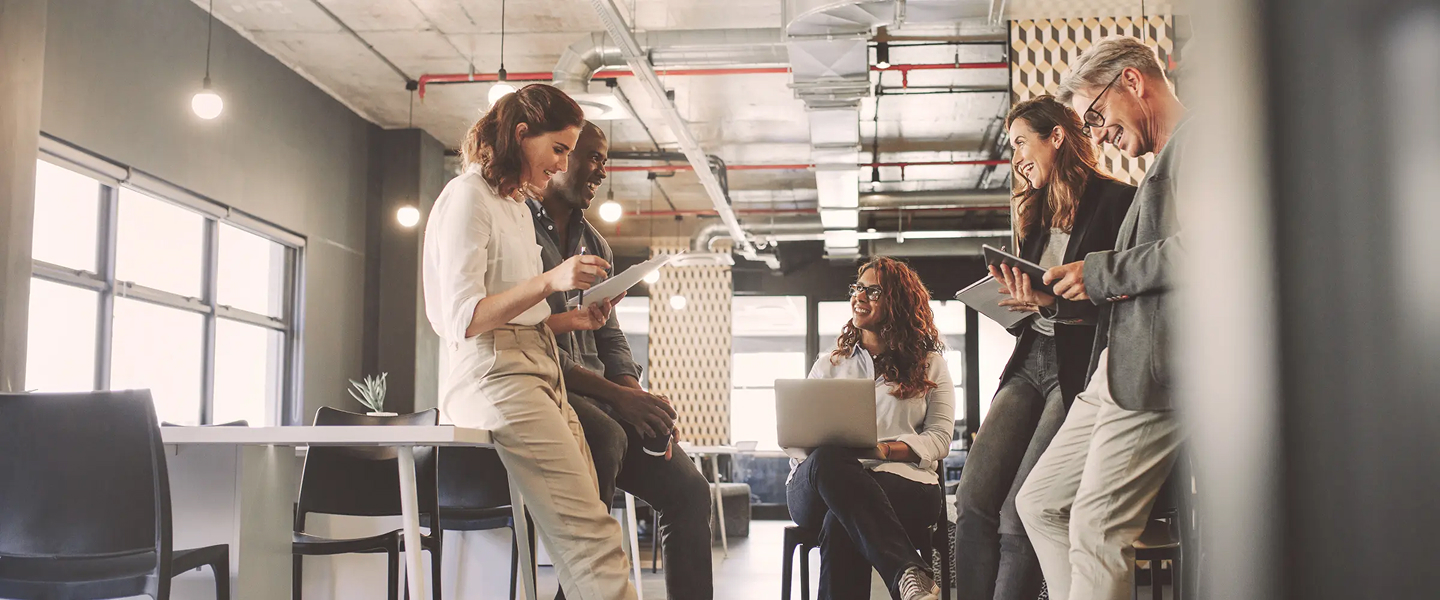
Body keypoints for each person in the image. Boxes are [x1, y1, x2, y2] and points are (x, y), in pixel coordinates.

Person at [422, 83, 636, 600]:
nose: (563, 165)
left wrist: (574, 319)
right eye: (558, 149)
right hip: (493, 374)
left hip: (539, 368)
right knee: (591, 535)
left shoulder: (516, 205)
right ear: (522, 134)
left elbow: (521, 317)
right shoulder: (467, 197)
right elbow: (464, 319)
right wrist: (551, 281)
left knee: (589, 528)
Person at [1014, 36, 1189, 600]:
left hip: (1154, 371)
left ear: (1133, 82)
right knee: (1038, 503)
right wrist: (1080, 288)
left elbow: (1208, 251)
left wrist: (1099, 273)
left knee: (1097, 528)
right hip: (1116, 368)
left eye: (1097, 114)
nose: (1099, 133)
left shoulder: (1199, 145)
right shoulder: (1164, 163)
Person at [954, 95, 1136, 600]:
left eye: (1020, 142)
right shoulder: (1034, 216)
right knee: (972, 500)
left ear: (1056, 135)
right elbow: (1037, 303)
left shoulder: (1118, 201)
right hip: (1030, 358)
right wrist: (1016, 302)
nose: (1015, 157)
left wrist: (1047, 303)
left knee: (1019, 513)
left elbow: (1122, 301)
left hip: (1078, 367)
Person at [529, 121, 714, 600]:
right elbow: (533, 342)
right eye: (592, 157)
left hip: (602, 395)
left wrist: (637, 398)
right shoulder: (519, 231)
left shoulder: (596, 243)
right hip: (549, 391)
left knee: (690, 492)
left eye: (602, 159)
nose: (601, 170)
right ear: (560, 157)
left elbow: (610, 339)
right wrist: (621, 400)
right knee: (607, 438)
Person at [785, 257, 955, 600]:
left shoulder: (930, 365)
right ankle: (909, 571)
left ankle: (909, 576)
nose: (859, 296)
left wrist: (884, 450)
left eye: (873, 290)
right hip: (819, 483)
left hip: (903, 482)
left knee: (841, 521)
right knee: (831, 460)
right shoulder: (830, 363)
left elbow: (939, 438)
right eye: (857, 288)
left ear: (901, 303)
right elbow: (797, 435)